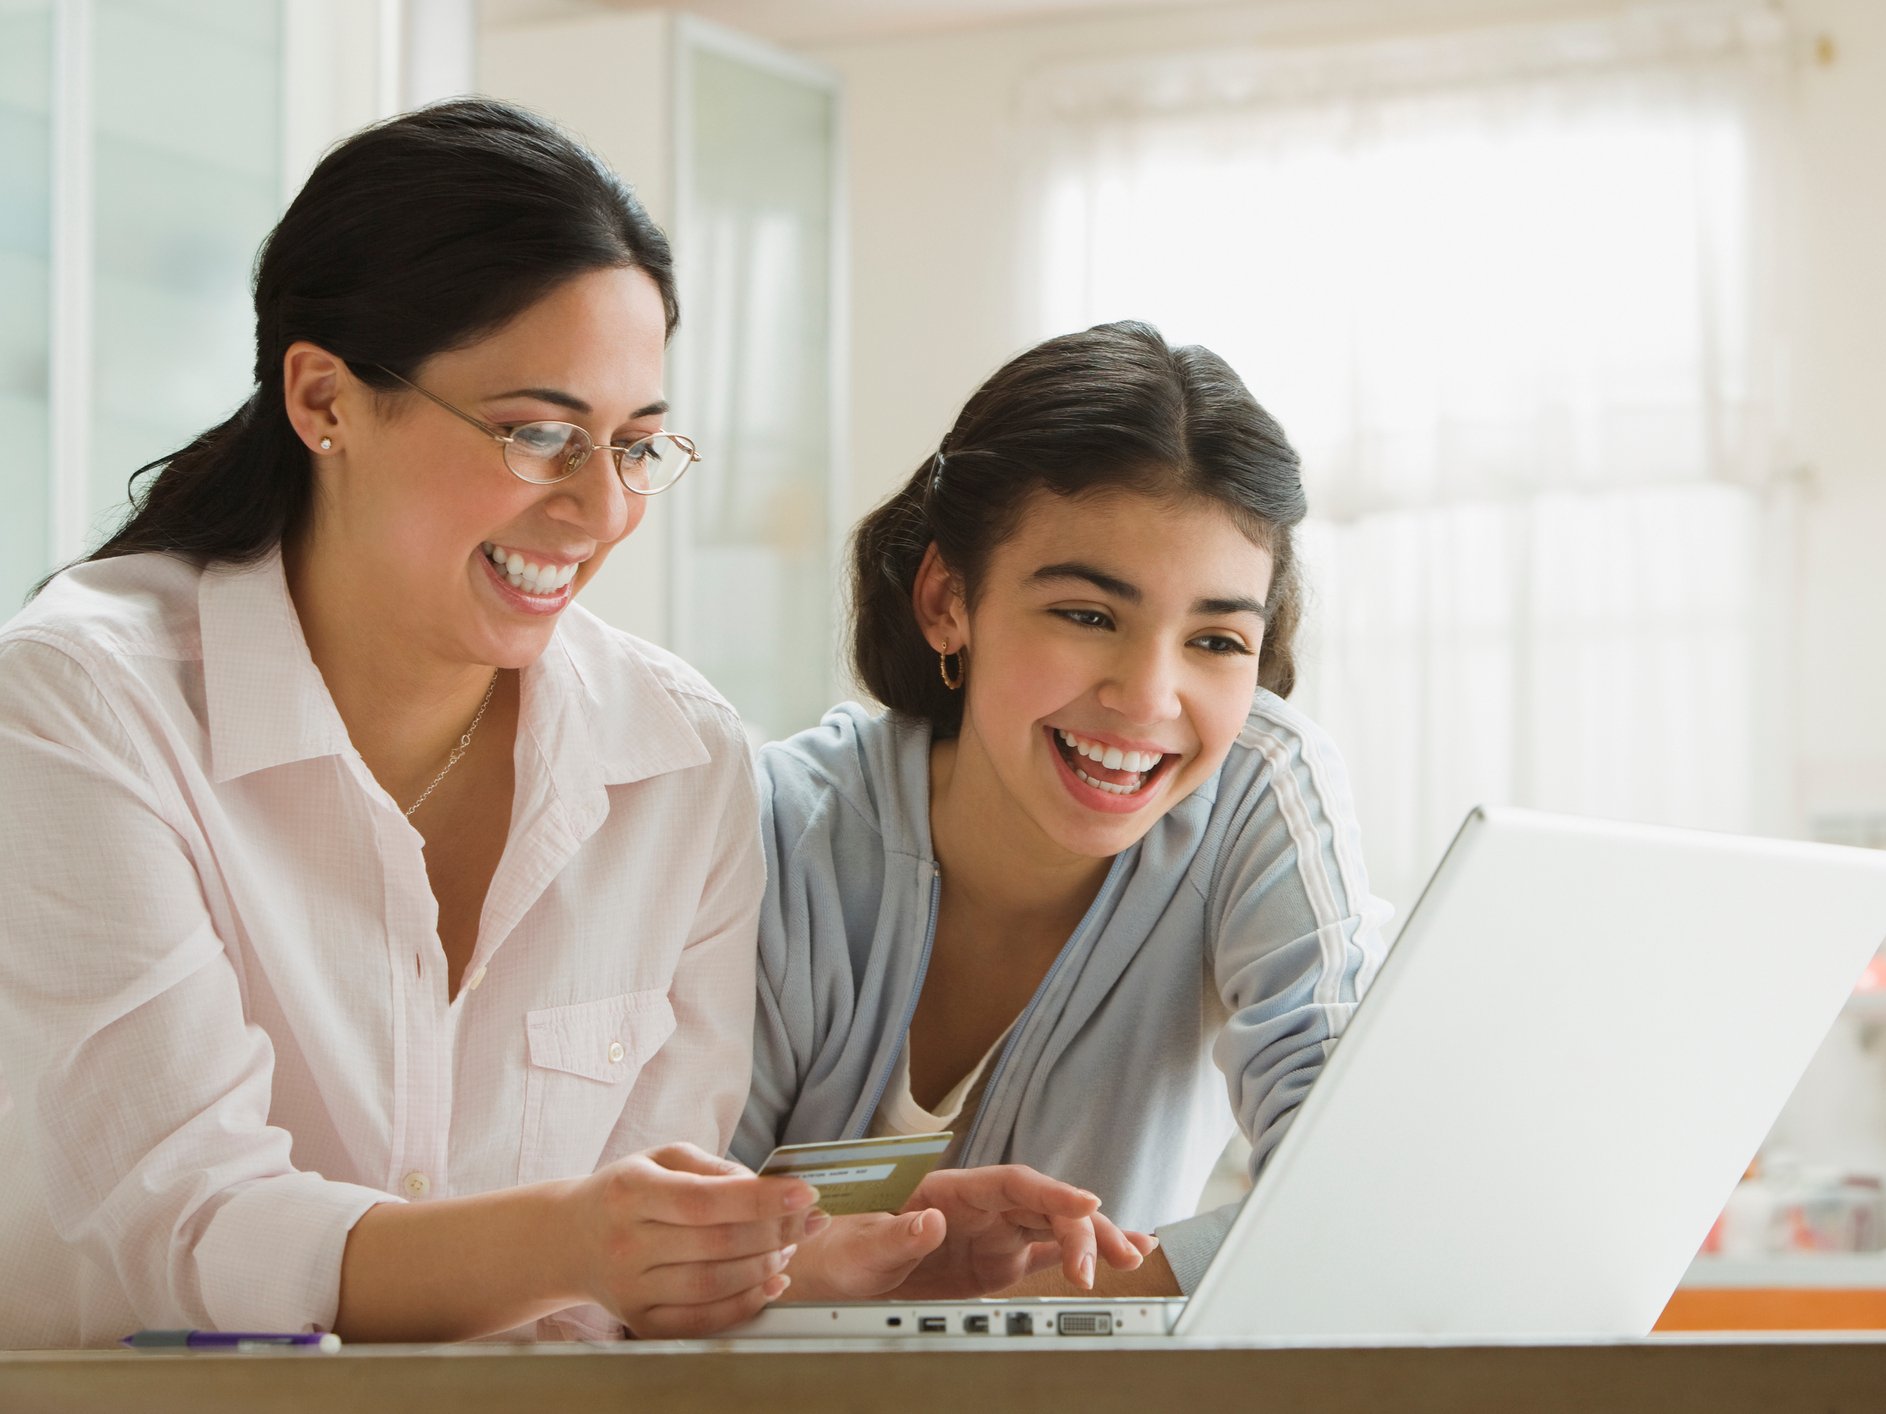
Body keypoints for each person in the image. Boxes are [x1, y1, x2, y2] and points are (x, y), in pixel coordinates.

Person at [0, 98, 1113, 1349]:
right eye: (539, 435)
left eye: (634, 446)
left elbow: (608, 1292)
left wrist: (808, 1253)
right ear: (323, 399)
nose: (600, 508)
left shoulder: (679, 758)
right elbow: (187, 1228)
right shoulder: (88, 702)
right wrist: (579, 1240)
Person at [738, 321, 1394, 1298]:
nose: (1147, 697)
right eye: (1088, 616)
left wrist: (1030, 1319)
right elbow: (647, 1271)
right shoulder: (775, 830)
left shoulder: (1255, 793)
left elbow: (1356, 1176)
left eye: (1216, 640)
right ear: (947, 601)